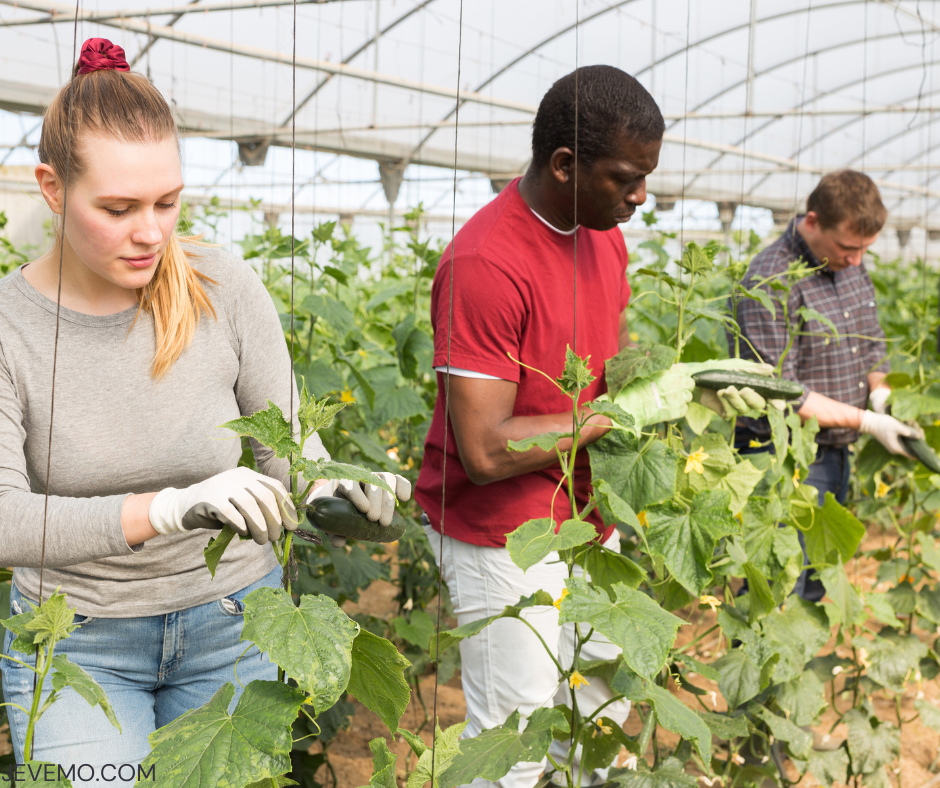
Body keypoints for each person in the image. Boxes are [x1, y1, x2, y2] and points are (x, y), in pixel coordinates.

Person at [0, 39, 408, 781]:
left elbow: (290, 452)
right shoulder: (9, 326)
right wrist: (170, 508)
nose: (152, 232)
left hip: (231, 622)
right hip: (79, 641)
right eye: (118, 208)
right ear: (52, 190)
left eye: (168, 201)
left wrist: (334, 490)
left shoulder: (222, 285)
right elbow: (4, 520)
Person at [413, 66, 699, 788]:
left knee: (599, 716)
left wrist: (666, 385)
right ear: (565, 164)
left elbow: (609, 362)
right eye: (627, 178)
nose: (641, 196)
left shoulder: (603, 235)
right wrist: (614, 413)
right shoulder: (485, 262)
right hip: (500, 528)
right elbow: (482, 448)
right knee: (515, 740)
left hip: (586, 510)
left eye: (647, 178)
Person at [734, 170, 920, 601]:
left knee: (815, 583)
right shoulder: (770, 278)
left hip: (837, 454)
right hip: (784, 460)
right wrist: (868, 422)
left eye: (864, 249)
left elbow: (871, 342)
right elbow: (778, 390)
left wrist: (882, 393)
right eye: (848, 247)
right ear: (812, 221)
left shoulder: (850, 265)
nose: (856, 259)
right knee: (777, 589)